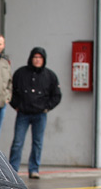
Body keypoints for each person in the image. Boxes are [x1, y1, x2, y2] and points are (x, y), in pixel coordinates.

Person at [8, 47, 61, 179]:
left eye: (40, 58)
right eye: (35, 57)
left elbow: (57, 95)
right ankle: (13, 169)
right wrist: (16, 105)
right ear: (31, 58)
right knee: (18, 142)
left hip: (40, 115)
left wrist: (46, 107)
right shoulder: (20, 73)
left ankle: (34, 169)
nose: (37, 60)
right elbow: (10, 91)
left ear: (44, 60)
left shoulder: (50, 76)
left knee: (37, 143)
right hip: (23, 114)